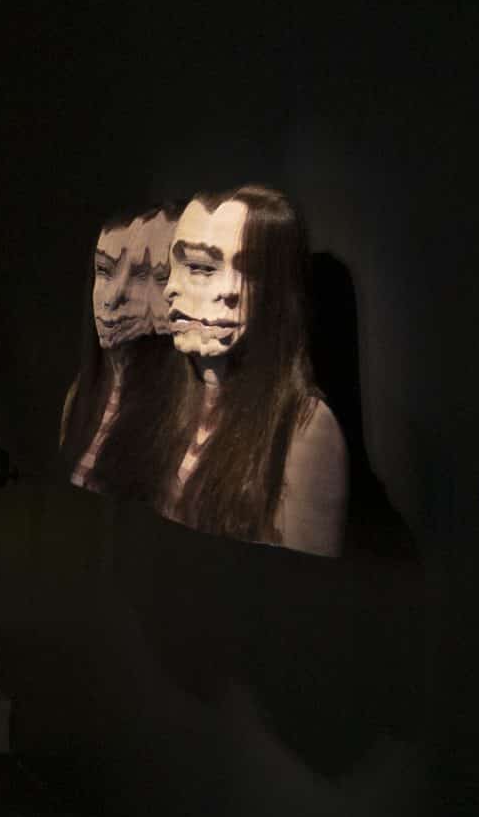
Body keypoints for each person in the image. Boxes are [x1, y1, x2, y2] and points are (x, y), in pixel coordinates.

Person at [146, 184, 348, 555]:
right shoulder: (175, 403)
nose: (172, 288)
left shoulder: (304, 429)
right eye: (173, 266)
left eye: (200, 268)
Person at [58, 205, 177, 491]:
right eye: (104, 271)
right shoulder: (84, 391)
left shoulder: (176, 408)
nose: (113, 297)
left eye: (140, 275)